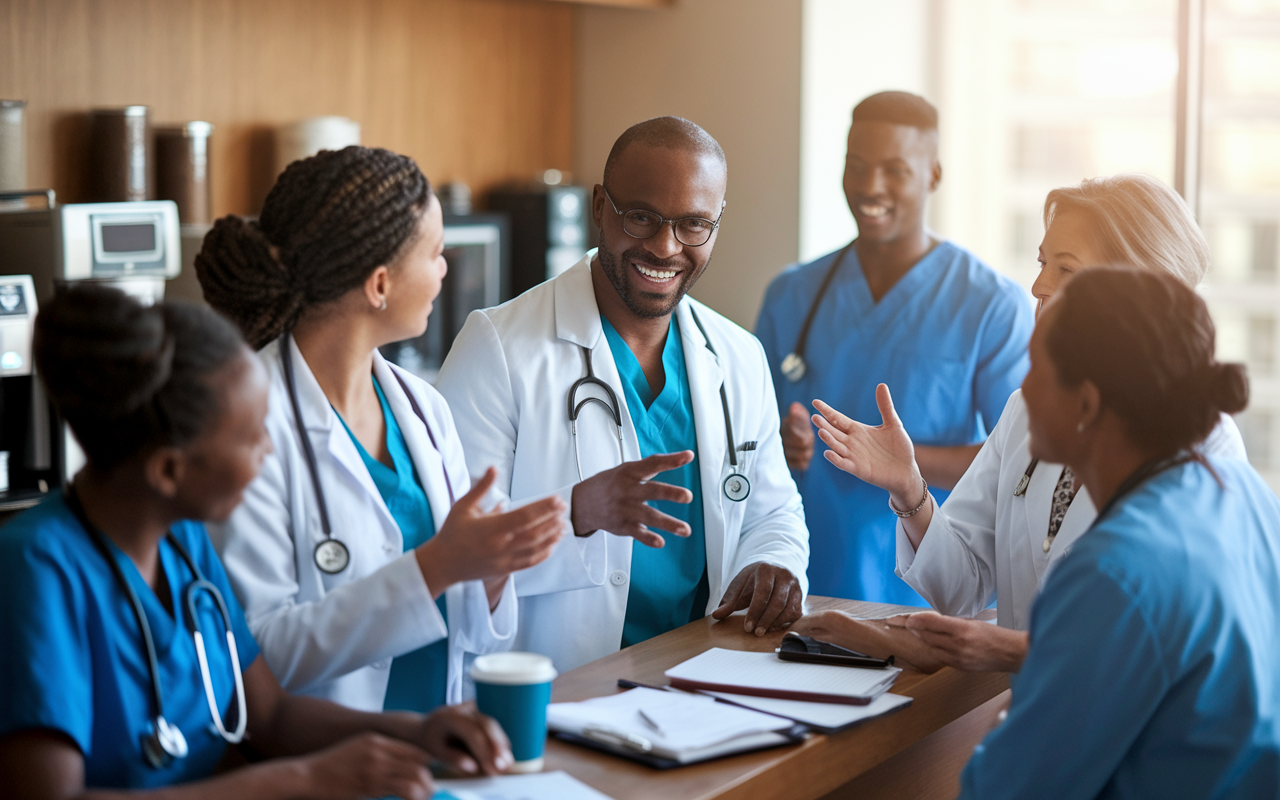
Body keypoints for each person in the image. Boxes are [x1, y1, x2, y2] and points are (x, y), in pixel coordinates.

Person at [0, 285, 512, 798]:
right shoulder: (37, 568)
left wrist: (414, 732)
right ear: (169, 470)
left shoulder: (184, 546)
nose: (270, 450)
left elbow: (271, 714)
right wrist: (302, 780)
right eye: (251, 438)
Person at [791, 174, 1247, 673]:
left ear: (1139, 288)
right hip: (1037, 714)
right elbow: (961, 589)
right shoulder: (1030, 409)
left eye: (1066, 269)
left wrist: (978, 648)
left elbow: (1160, 645)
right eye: (1042, 263)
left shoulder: (1205, 446)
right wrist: (909, 487)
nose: (1038, 286)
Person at [196, 146, 565, 713]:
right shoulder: (247, 424)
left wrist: (489, 571)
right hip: (326, 764)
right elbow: (260, 658)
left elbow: (465, 629)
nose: (446, 269)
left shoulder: (421, 407)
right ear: (379, 285)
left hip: (435, 747)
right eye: (436, 254)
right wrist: (439, 564)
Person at [435, 117, 808, 673]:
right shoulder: (498, 348)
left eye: (693, 224)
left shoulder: (738, 355)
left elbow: (772, 510)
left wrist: (773, 563)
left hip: (701, 675)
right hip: (552, 688)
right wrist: (575, 514)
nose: (665, 247)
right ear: (598, 208)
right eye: (641, 217)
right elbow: (452, 550)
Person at [956, 267, 1279, 798]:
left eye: (1036, 366)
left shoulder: (1113, 572)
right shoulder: (1242, 491)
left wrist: (1012, 718)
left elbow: (1007, 790)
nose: (1022, 387)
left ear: (1086, 403)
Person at [755, 91, 1033, 606]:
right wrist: (783, 440)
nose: (869, 186)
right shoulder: (792, 295)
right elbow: (746, 442)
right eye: (855, 166)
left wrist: (893, 461)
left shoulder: (992, 306)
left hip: (928, 596)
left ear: (933, 175)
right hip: (802, 591)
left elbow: (1020, 462)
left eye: (895, 169)